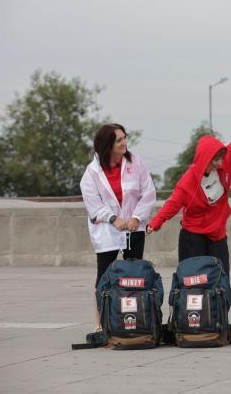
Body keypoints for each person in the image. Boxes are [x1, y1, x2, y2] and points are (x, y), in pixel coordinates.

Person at [146, 116, 231, 275]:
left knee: (220, 277)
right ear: (204, 159)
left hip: (217, 234)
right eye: (215, 160)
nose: (220, 163)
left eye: (221, 159)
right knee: (193, 279)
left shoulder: (226, 162)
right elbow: (172, 204)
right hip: (193, 236)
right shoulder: (187, 182)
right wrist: (155, 222)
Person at [80, 123, 157, 330]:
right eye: (119, 140)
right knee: (104, 277)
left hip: (134, 229)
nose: (125, 143)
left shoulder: (136, 162)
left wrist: (136, 217)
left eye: (125, 138)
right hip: (107, 231)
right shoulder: (92, 172)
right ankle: (101, 325)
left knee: (135, 276)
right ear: (108, 145)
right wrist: (113, 219)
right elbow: (92, 203)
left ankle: (135, 320)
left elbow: (148, 192)